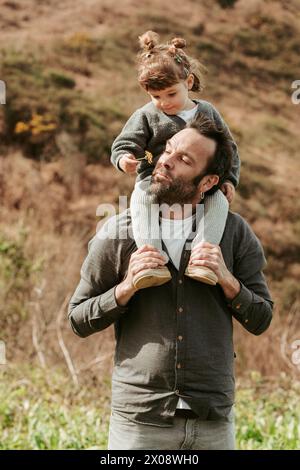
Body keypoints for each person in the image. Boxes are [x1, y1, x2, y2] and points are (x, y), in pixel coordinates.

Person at [69, 115, 273, 450]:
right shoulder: (120, 232)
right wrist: (126, 288)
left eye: (184, 160)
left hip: (212, 423)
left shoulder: (235, 234)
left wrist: (227, 280)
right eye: (169, 150)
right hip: (140, 422)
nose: (165, 161)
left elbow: (262, 318)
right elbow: (77, 319)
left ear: (207, 182)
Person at [110, 30, 240, 289]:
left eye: (171, 94)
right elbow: (125, 142)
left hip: (199, 183)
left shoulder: (207, 111)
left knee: (218, 204)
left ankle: (202, 259)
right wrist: (124, 159)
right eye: (155, 97)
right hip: (154, 178)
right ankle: (151, 261)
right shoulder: (146, 115)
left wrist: (229, 180)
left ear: (188, 82)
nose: (163, 103)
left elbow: (229, 149)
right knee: (141, 199)